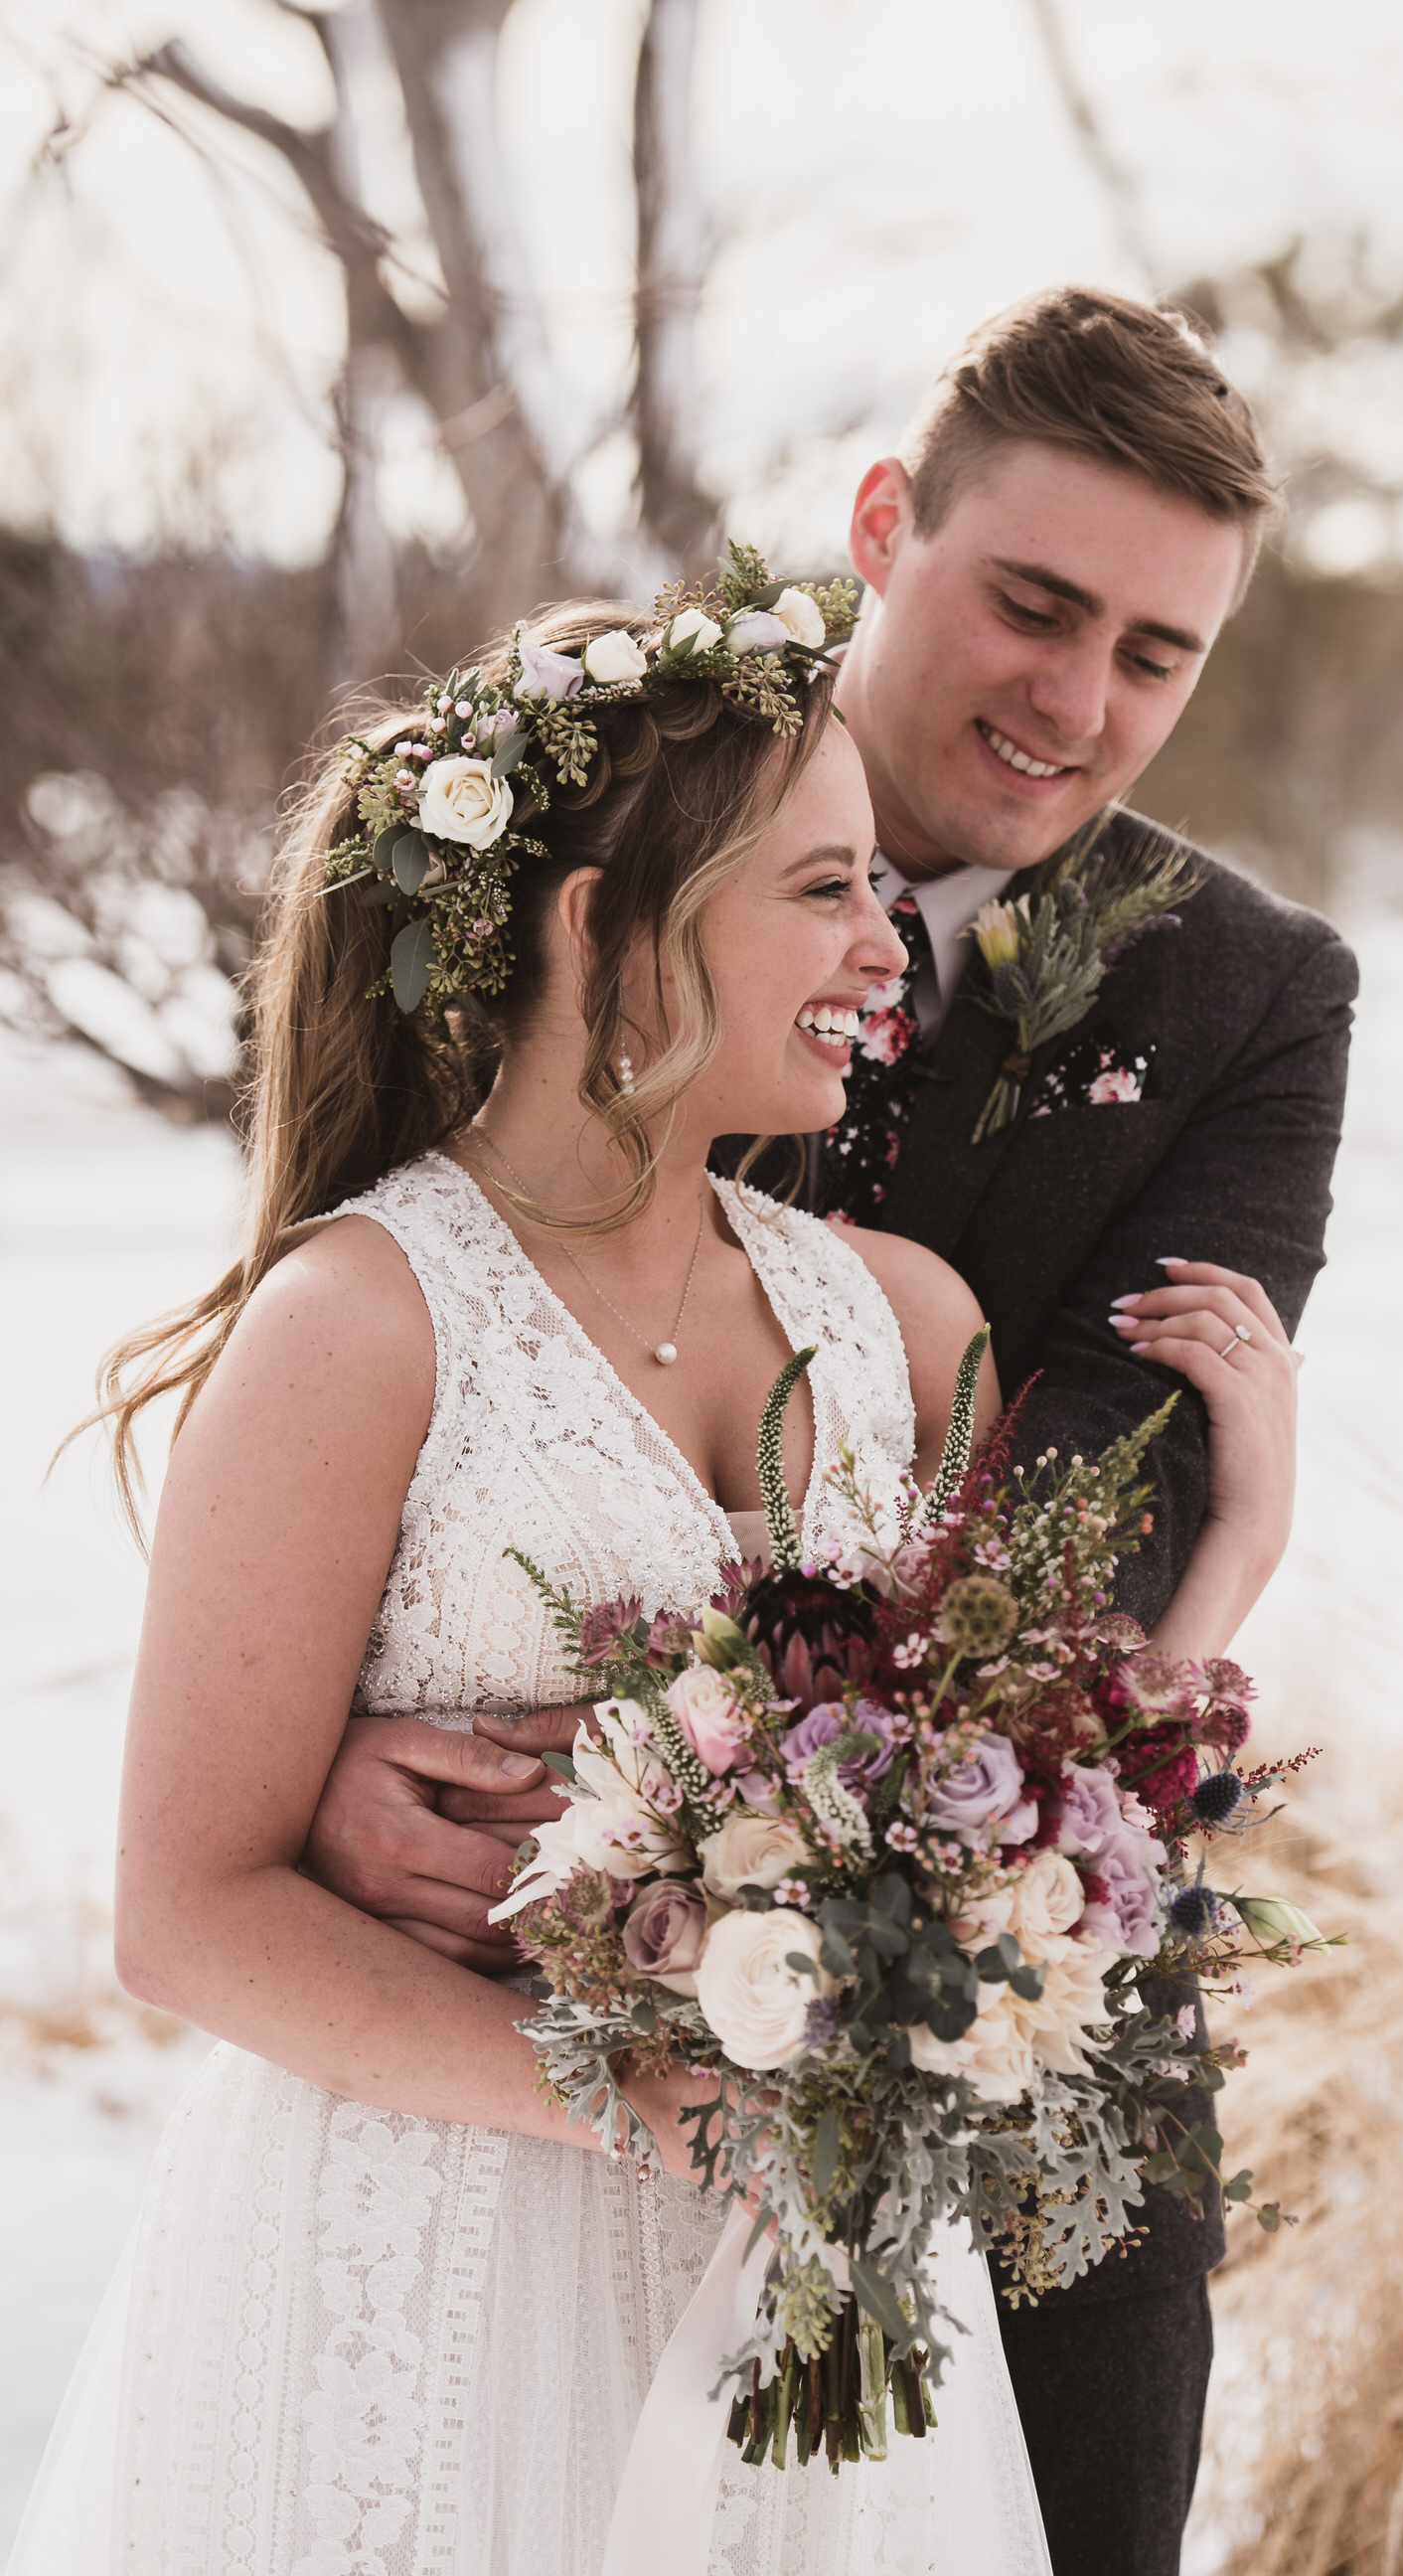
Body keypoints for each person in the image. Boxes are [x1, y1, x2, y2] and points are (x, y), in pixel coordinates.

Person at [9, 568, 1298, 2575]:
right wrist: (655, 2106)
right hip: (429, 2255)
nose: (886, 951)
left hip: (827, 2295)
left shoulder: (905, 1325)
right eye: (822, 892)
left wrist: (1231, 1553)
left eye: (879, 888)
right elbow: (187, 1916)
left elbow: (1021, 1800)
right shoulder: (362, 1322)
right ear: (600, 926)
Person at [299, 290, 1356, 2576]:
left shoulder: (1254, 995)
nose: (1077, 704)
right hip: (504, 1992)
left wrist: (655, 1781)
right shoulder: (606, 803)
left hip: (1003, 1969)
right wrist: (327, 1742)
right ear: (886, 525)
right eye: (1034, 603)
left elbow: (1092, 1497)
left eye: (1156, 655)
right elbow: (383, 1308)